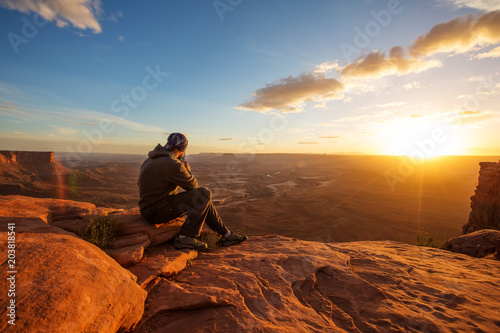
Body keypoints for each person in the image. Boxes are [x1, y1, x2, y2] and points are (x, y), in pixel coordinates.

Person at [138, 132, 247, 250]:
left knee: (204, 198)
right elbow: (193, 185)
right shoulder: (172, 163)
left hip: (147, 208)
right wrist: (187, 170)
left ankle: (226, 235)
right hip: (157, 212)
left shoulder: (149, 160)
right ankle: (185, 237)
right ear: (182, 149)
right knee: (204, 194)